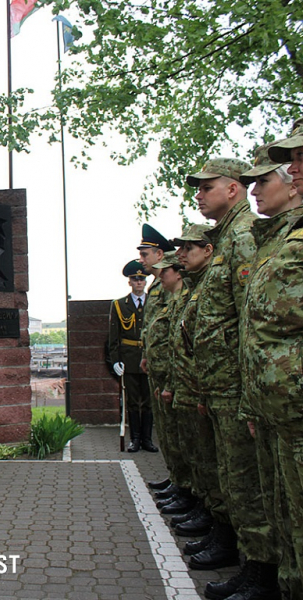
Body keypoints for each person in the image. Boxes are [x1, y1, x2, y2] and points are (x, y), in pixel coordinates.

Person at [186, 157, 275, 580]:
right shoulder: (226, 240)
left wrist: (247, 393)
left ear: (233, 189)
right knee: (231, 476)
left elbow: (247, 320)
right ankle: (238, 551)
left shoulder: (241, 237)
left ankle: (257, 571)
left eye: (206, 187)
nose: (199, 195)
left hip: (236, 387)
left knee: (243, 482)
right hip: (220, 385)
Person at [234, 140, 303, 599]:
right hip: (278, 405)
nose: (294, 169)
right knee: (286, 518)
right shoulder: (275, 239)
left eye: (264, 179)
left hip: (293, 405)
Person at [161, 226, 223, 548]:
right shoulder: (193, 289)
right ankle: (202, 506)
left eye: (189, 248)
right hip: (194, 388)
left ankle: (217, 525)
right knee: (201, 457)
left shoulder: (205, 285)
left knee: (216, 464)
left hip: (215, 391)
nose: (182, 254)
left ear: (208, 249)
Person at [136, 224, 179, 487]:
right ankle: (177, 479)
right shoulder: (157, 282)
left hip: (169, 366)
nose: (141, 260)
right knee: (167, 431)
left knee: (176, 431)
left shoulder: (170, 278)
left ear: (160, 253)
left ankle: (183, 486)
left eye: (145, 254)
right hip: (157, 364)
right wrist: (146, 354)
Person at [108, 260, 155, 453]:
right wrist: (115, 360)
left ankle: (147, 439)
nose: (138, 283)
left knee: (149, 401)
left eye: (142, 279)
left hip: (150, 358)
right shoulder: (119, 305)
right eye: (135, 279)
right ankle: (135, 439)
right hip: (129, 359)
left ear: (145, 282)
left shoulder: (154, 303)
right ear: (129, 282)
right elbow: (114, 337)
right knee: (133, 401)